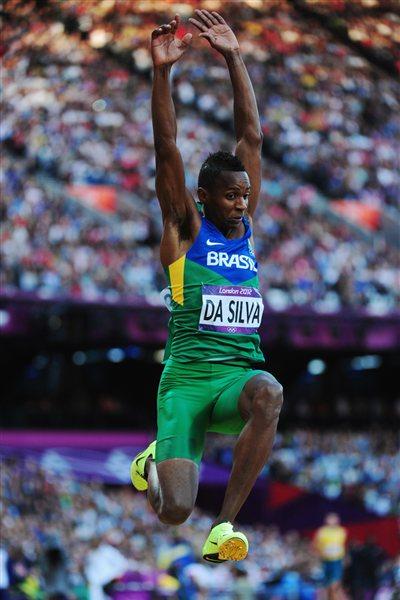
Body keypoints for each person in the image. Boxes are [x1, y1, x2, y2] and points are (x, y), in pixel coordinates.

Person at [130, 9, 283, 563]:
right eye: (231, 197)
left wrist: (234, 57)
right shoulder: (184, 229)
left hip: (235, 379)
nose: (242, 205)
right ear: (203, 198)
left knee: (270, 392)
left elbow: (252, 136)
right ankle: (153, 464)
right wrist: (162, 75)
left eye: (245, 196)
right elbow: (165, 146)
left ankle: (224, 528)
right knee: (172, 510)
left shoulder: (244, 234)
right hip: (187, 383)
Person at [314, 513, 347, 599]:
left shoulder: (341, 531)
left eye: (334, 519)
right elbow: (317, 545)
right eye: (330, 518)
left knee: (334, 584)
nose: (331, 521)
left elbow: (341, 545)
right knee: (327, 584)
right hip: (325, 560)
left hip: (337, 560)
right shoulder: (322, 531)